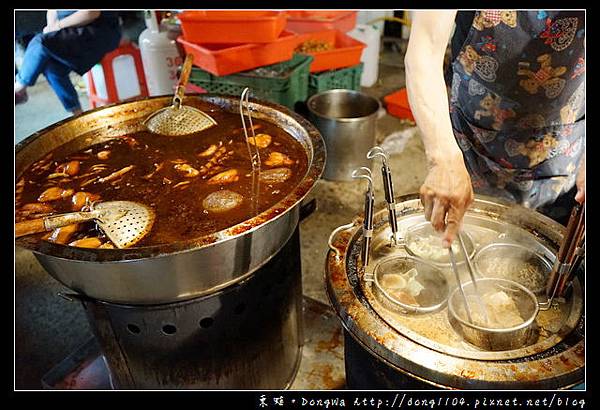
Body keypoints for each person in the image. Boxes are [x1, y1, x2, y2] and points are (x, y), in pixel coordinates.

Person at [405, 10, 585, 247]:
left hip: (565, 143)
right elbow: (424, 51)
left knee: (549, 253)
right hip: (475, 137)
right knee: (464, 247)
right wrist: (443, 159)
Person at [14, 10, 122, 115]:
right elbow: (52, 11)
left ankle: (19, 87)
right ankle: (78, 115)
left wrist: (58, 26)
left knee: (40, 42)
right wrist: (51, 28)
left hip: (98, 30)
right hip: (70, 31)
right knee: (52, 67)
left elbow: (91, 12)